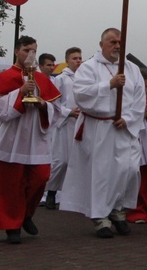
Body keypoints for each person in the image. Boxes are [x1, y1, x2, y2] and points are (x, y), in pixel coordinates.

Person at [60, 28, 144, 239]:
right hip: (100, 128)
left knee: (129, 170)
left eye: (119, 42)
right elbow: (80, 94)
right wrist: (109, 85)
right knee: (102, 174)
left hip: (124, 128)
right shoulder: (89, 67)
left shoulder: (132, 69)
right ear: (101, 44)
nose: (117, 46)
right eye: (112, 42)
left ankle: (117, 209)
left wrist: (129, 118)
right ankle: (100, 217)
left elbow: (139, 98)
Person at [0, 36, 60, 244]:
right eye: (26, 50)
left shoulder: (41, 78)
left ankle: (26, 214)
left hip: (35, 137)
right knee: (11, 184)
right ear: (16, 51)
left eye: (33, 51)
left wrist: (42, 104)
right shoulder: (5, 77)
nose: (29, 55)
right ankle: (12, 226)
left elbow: (55, 108)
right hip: (11, 137)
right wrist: (20, 93)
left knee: (41, 177)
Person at [44, 47, 82, 210]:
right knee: (62, 160)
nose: (78, 61)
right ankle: (51, 191)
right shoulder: (61, 79)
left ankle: (75, 195)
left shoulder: (84, 78)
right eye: (75, 58)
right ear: (67, 61)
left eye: (80, 58)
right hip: (65, 123)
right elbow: (53, 101)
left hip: (81, 122)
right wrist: (67, 112)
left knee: (79, 159)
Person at [126, 73, 147, 223]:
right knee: (140, 181)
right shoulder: (129, 103)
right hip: (137, 145)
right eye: (144, 87)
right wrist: (139, 116)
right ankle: (138, 211)